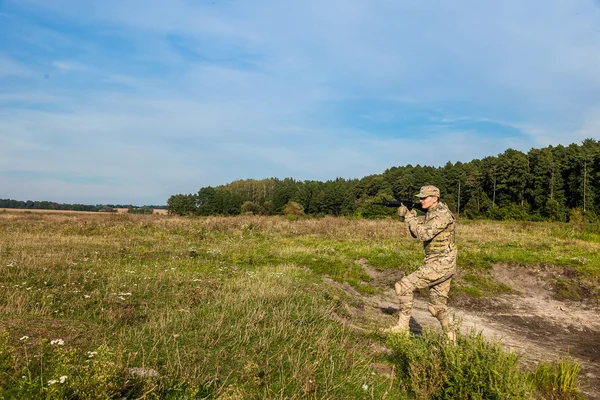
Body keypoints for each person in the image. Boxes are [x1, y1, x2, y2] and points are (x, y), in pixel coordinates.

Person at [387, 185, 457, 340]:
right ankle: (451, 341)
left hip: (441, 263)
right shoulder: (432, 213)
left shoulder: (442, 215)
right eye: (420, 198)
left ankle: (402, 328)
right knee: (437, 308)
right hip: (439, 263)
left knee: (403, 286)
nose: (421, 200)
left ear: (434, 198)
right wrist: (409, 216)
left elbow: (423, 234)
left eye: (424, 198)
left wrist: (410, 217)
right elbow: (415, 232)